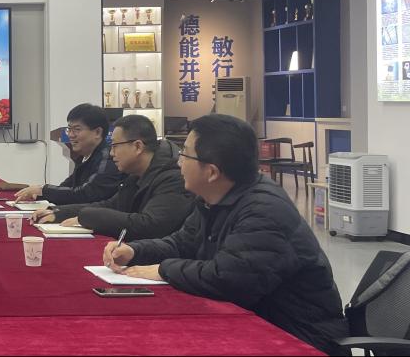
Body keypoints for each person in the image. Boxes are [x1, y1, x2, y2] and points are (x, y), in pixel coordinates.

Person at [102, 114, 348, 355]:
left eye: (185, 154)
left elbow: (227, 279)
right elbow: (181, 243)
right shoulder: (215, 197)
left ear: (211, 172)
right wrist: (135, 251)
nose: (178, 163)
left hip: (296, 337)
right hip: (255, 323)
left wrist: (163, 270)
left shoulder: (264, 211)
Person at [32, 115, 193, 240]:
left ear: (137, 146)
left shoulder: (173, 178)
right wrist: (59, 212)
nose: (111, 153)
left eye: (115, 146)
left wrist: (86, 217)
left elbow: (149, 225)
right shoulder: (136, 173)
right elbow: (112, 205)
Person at [16, 103, 126, 205]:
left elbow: (88, 193)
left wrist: (43, 190)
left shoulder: (108, 158)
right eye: (69, 129)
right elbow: (68, 187)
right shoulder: (84, 156)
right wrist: (39, 194)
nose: (71, 135)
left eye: (77, 129)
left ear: (97, 132)